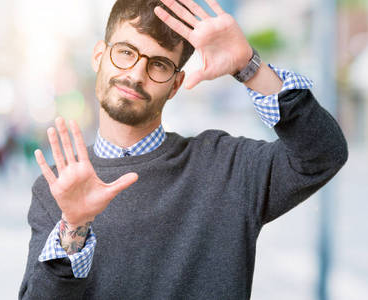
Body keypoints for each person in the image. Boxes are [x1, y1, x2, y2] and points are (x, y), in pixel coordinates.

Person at [19, 0, 348, 299]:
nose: (135, 75)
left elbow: (322, 154)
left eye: (159, 65)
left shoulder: (226, 167)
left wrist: (249, 67)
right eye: (125, 52)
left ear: (176, 84)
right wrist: (74, 225)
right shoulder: (56, 189)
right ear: (98, 56)